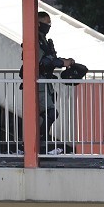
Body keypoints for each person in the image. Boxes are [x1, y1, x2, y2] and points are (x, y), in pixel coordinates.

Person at [34, 11, 74, 154]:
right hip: (39, 83)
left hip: (46, 82)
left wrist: (66, 63)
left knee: (48, 114)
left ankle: (41, 143)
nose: (48, 26)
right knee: (49, 113)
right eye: (46, 23)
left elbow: (51, 59)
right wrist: (63, 62)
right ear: (38, 23)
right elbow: (43, 62)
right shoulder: (34, 40)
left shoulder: (45, 40)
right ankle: (38, 143)